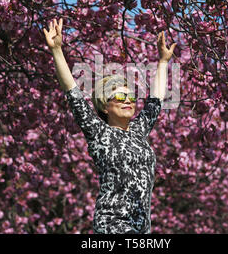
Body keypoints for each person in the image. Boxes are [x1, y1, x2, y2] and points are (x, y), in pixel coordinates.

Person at [43, 18, 176, 234]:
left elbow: (156, 100)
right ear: (105, 106)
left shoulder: (138, 132)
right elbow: (73, 94)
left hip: (141, 229)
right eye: (120, 95)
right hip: (112, 224)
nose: (128, 101)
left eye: (131, 96)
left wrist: (163, 62)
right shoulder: (99, 132)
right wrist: (57, 50)